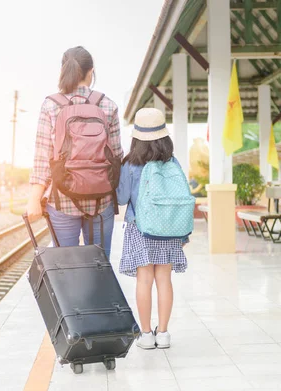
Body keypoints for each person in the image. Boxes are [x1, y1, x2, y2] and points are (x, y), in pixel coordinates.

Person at [26, 46, 123, 259]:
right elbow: (116, 156)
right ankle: (98, 292)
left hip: (62, 199)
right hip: (101, 200)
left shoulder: (51, 106)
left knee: (65, 268)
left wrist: (34, 198)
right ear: (91, 71)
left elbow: (43, 156)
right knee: (99, 266)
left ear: (64, 70)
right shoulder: (107, 105)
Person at [116, 107, 189, 350]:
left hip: (141, 228)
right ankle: (164, 333)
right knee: (164, 280)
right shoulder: (172, 162)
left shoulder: (130, 164)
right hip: (168, 227)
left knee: (144, 280)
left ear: (137, 137)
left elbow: (122, 198)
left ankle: (146, 335)